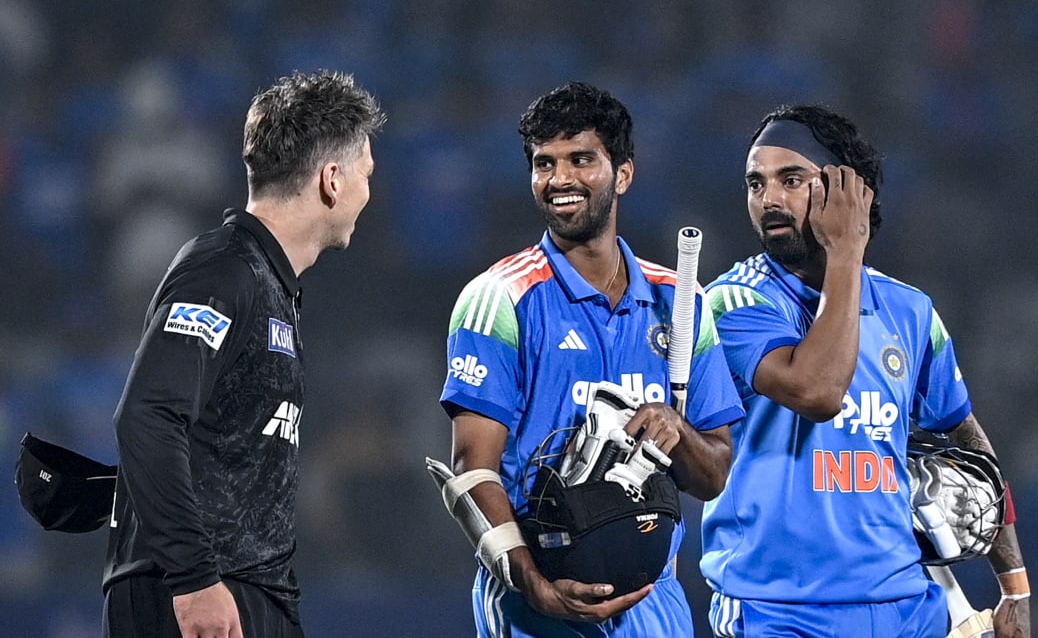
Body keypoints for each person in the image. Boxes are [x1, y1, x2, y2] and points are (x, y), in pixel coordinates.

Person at [699, 104, 1030, 637]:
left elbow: (970, 445)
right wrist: (847, 250)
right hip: (779, 614)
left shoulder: (911, 311)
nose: (769, 200)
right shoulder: (732, 303)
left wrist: (1014, 584)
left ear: (845, 189)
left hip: (908, 609)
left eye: (791, 179)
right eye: (755, 184)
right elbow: (818, 390)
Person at [437, 81, 744, 637]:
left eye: (581, 159)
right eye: (544, 163)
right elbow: (472, 470)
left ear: (623, 173)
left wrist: (678, 429)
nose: (560, 180)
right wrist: (537, 588)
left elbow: (715, 473)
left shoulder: (680, 302)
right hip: (536, 601)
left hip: (656, 604)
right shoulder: (499, 299)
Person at [101, 70, 386, 638]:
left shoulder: (266, 282)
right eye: (366, 174)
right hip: (200, 597)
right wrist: (194, 580)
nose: (368, 193)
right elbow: (148, 415)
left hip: (242, 592)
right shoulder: (226, 272)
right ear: (332, 179)